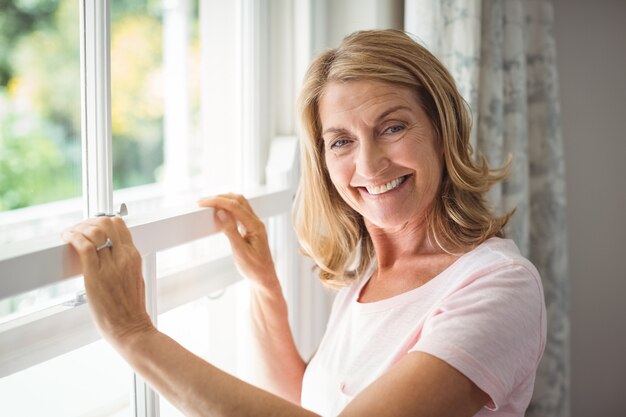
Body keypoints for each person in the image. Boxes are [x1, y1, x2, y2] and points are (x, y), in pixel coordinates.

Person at [62, 29, 546, 417]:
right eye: (341, 142)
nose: (371, 166)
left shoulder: (500, 285)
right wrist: (265, 289)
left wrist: (134, 334)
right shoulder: (367, 277)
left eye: (392, 127)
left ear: (442, 131)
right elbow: (302, 402)